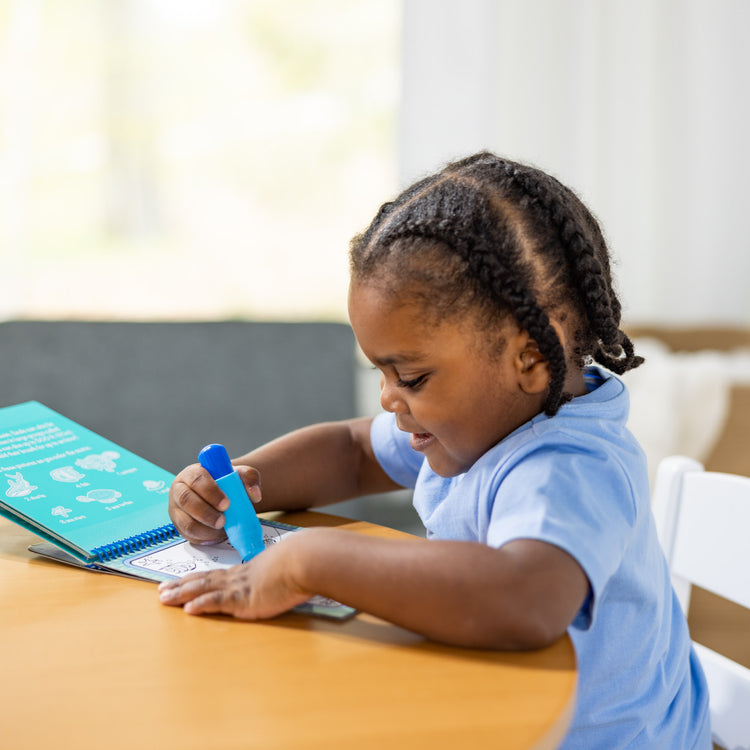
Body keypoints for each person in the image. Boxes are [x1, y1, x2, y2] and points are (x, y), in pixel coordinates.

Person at [159, 152, 711, 748]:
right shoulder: (472, 422)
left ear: (529, 357)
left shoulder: (574, 464)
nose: (391, 400)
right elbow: (351, 451)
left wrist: (308, 561)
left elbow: (523, 600)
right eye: (382, 373)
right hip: (494, 709)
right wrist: (243, 483)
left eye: (412, 378)